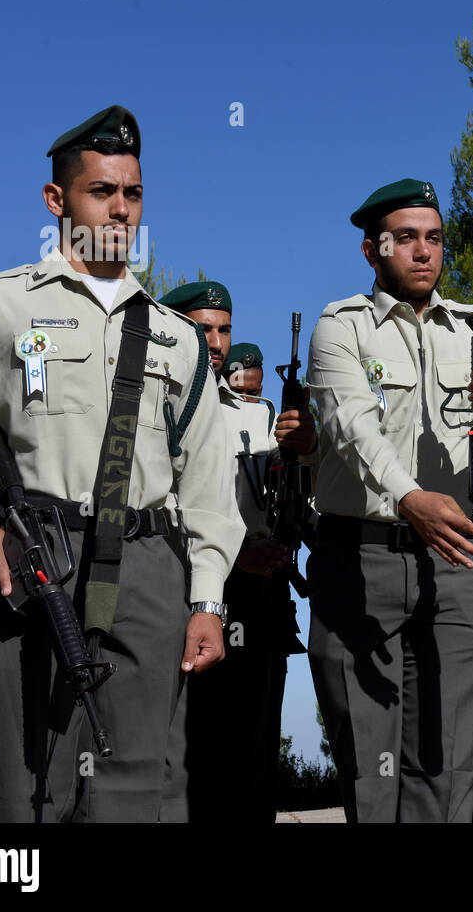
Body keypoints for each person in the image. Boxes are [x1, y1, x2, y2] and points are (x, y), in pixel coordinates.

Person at [0, 106, 243, 822]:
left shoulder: (174, 336)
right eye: (101, 191)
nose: (120, 208)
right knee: (26, 789)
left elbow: (207, 480)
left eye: (133, 193)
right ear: (57, 200)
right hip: (32, 564)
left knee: (145, 784)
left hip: (148, 571)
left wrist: (206, 600)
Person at [305, 178, 473, 823]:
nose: (423, 252)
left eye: (434, 239)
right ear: (372, 250)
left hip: (459, 563)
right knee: (369, 767)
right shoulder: (340, 325)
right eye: (406, 238)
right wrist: (410, 495)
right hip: (362, 559)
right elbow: (348, 425)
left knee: (446, 766)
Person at [159, 284, 314, 823]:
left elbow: (293, 499)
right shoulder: (157, 400)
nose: (217, 343)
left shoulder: (254, 413)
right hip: (186, 587)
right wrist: (231, 552)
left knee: (254, 742)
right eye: (204, 330)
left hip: (258, 588)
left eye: (224, 329)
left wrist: (303, 454)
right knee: (191, 745)